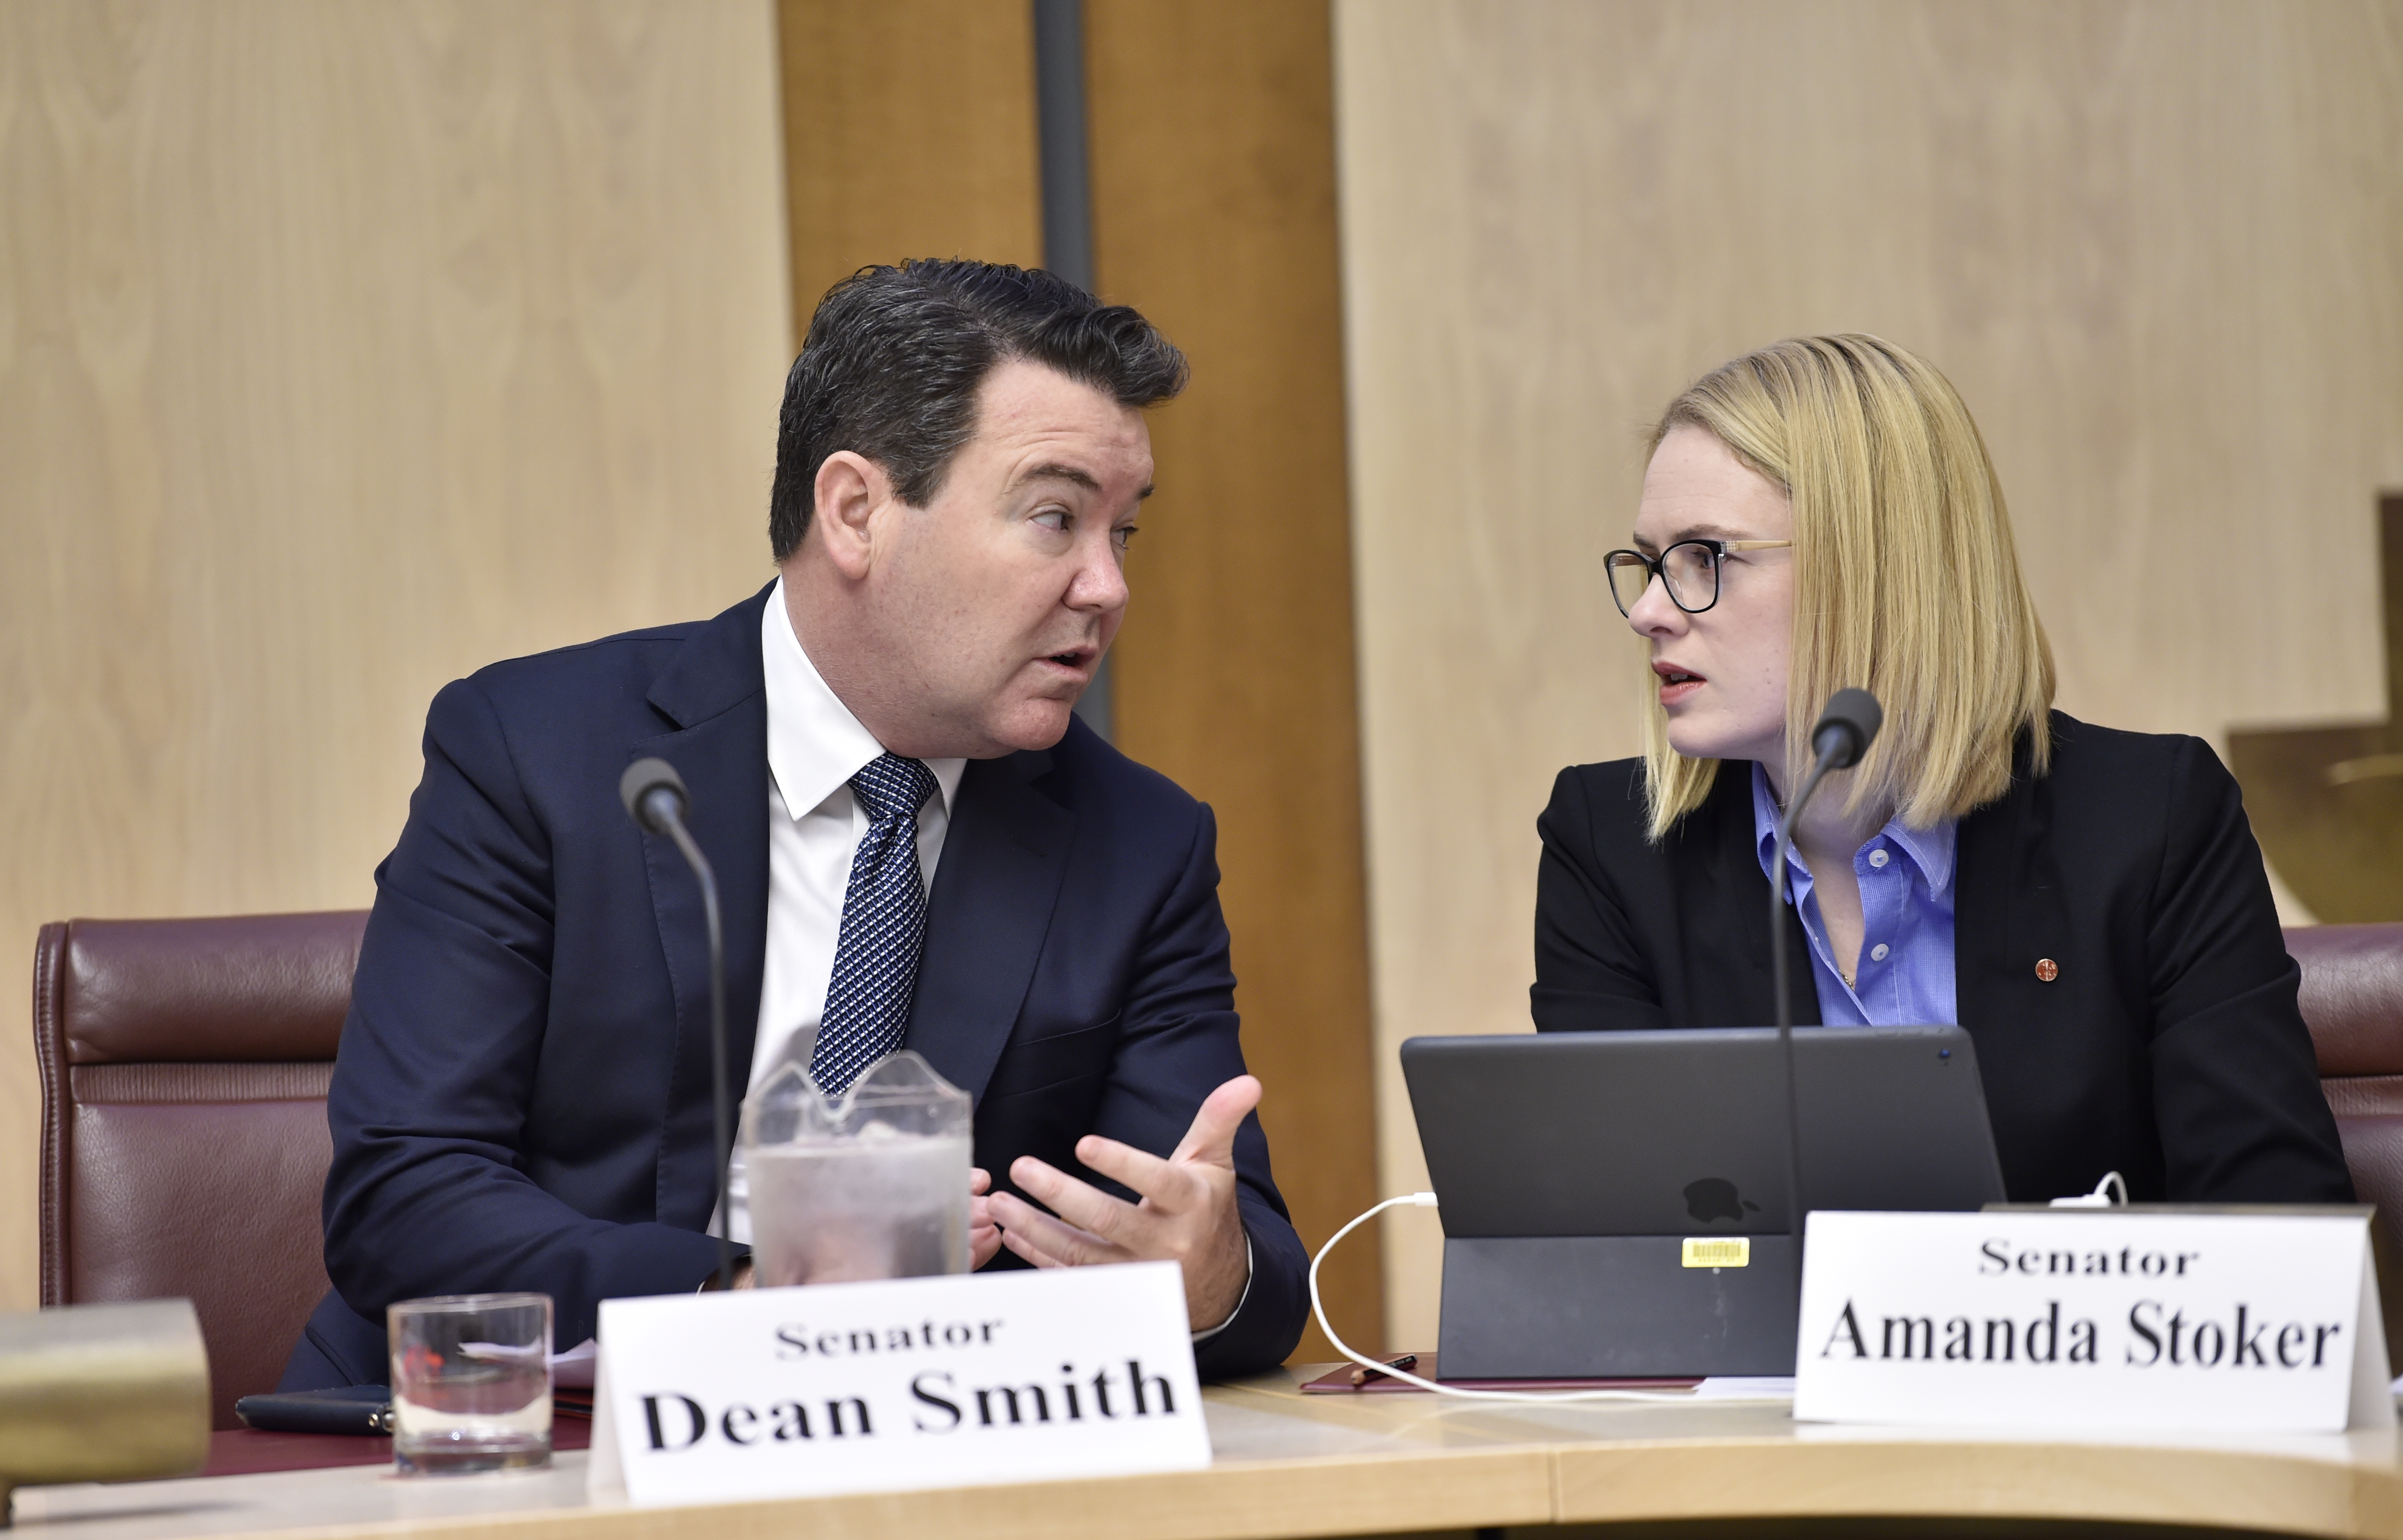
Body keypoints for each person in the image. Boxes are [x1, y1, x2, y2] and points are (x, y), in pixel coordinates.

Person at [281, 261, 1307, 1388]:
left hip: (929, 1465)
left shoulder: (1136, 843)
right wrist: (746, 1301)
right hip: (513, 1440)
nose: (1105, 587)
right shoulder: (540, 754)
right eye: (1055, 517)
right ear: (856, 512)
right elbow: (406, 1198)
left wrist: (1205, 1276)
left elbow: (1244, 1263)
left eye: (1124, 534)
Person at [1533, 333, 2353, 1205]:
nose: (1651, 612)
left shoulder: (2150, 822)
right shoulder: (1611, 846)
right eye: (1649, 564)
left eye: (1704, 557)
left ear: (1878, 569)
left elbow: (2285, 1232)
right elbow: (1615, 1244)